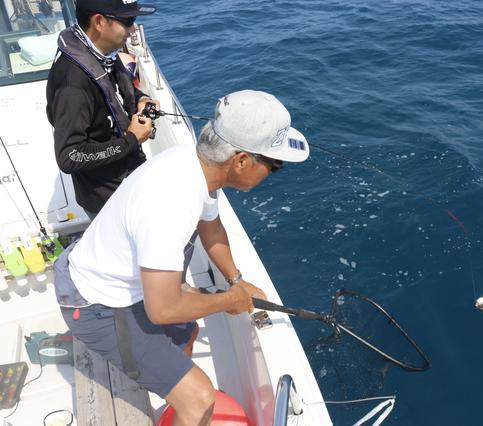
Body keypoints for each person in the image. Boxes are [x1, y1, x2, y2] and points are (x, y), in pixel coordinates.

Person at [53, 90, 311, 426]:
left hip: (123, 282)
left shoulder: (196, 166)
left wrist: (236, 280)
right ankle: (185, 406)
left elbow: (211, 227)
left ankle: (174, 402)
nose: (272, 172)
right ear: (242, 161)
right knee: (201, 400)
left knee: (186, 332)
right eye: (273, 166)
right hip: (96, 304)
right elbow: (163, 310)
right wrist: (229, 299)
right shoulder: (170, 201)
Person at [46, 0, 160, 219]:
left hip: (131, 178)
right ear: (99, 22)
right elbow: (69, 156)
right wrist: (131, 139)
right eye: (128, 21)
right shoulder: (72, 83)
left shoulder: (102, 53)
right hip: (107, 200)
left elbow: (112, 90)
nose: (133, 29)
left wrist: (141, 99)